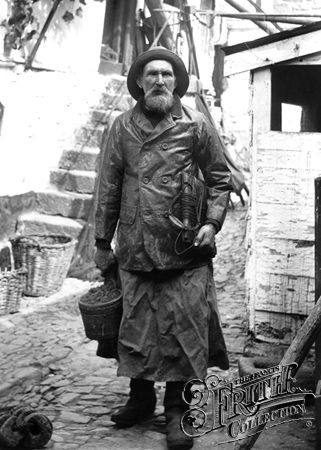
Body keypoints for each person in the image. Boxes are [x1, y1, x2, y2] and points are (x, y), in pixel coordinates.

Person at [94, 46, 232, 450]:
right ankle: (139, 399)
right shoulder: (121, 127)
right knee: (136, 326)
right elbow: (108, 186)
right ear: (138, 82)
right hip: (136, 244)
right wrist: (103, 242)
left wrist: (211, 222)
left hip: (183, 246)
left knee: (184, 330)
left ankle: (178, 409)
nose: (159, 81)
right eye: (151, 74)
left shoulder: (196, 126)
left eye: (167, 75)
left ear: (177, 82)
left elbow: (220, 178)